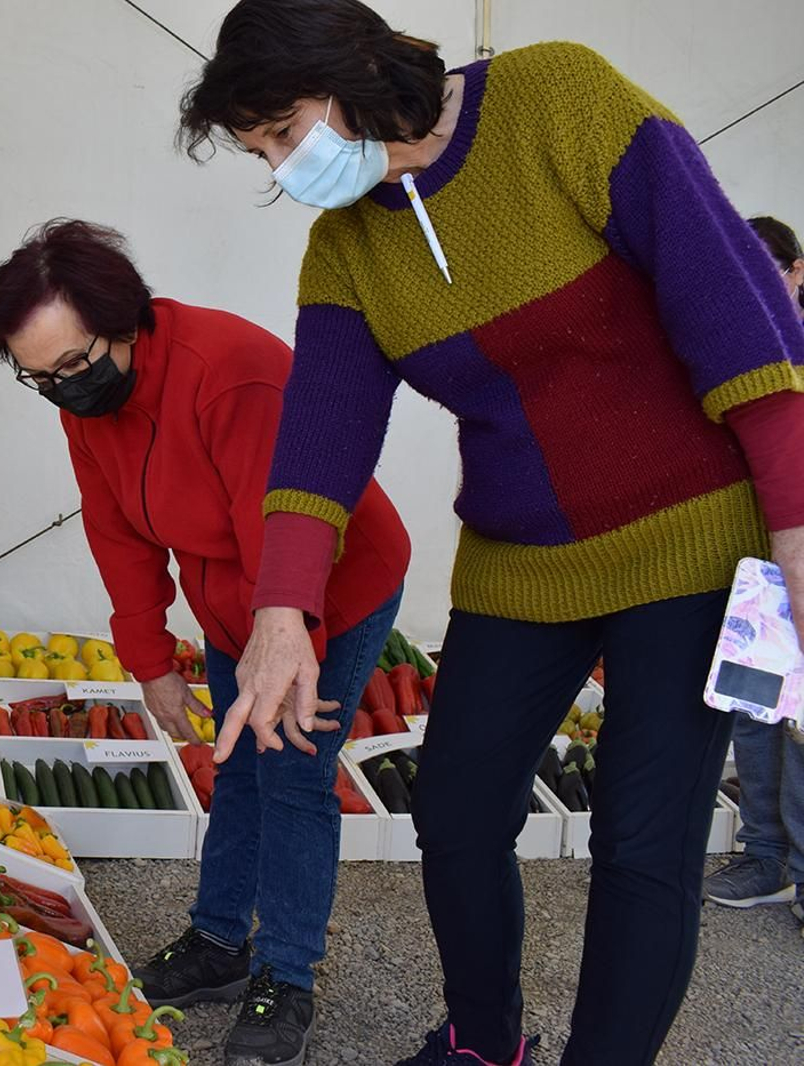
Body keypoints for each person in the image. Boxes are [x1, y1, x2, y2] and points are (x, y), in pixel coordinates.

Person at [178, 2, 804, 1064]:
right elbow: (318, 444)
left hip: (690, 540)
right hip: (519, 562)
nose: (286, 168)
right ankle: (483, 1038)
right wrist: (281, 611)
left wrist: (792, 523)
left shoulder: (556, 96)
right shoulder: (345, 250)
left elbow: (730, 304)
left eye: (284, 132)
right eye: (261, 154)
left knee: (640, 845)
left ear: (352, 67)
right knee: (458, 811)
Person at [0, 218, 410, 1066]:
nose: (65, 388)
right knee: (234, 770)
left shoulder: (228, 375)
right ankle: (217, 946)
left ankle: (286, 977)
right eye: (40, 377)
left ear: (126, 322)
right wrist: (150, 663)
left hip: (327, 586)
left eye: (74, 365)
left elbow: (280, 530)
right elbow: (118, 535)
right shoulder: (86, 402)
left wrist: (280, 653)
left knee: (292, 776)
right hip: (228, 601)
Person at [703, 216, 804, 927]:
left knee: (798, 723)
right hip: (752, 565)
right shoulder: (733, 343)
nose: (756, 274)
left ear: (798, 269)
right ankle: (765, 857)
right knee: (754, 711)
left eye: (769, 262)